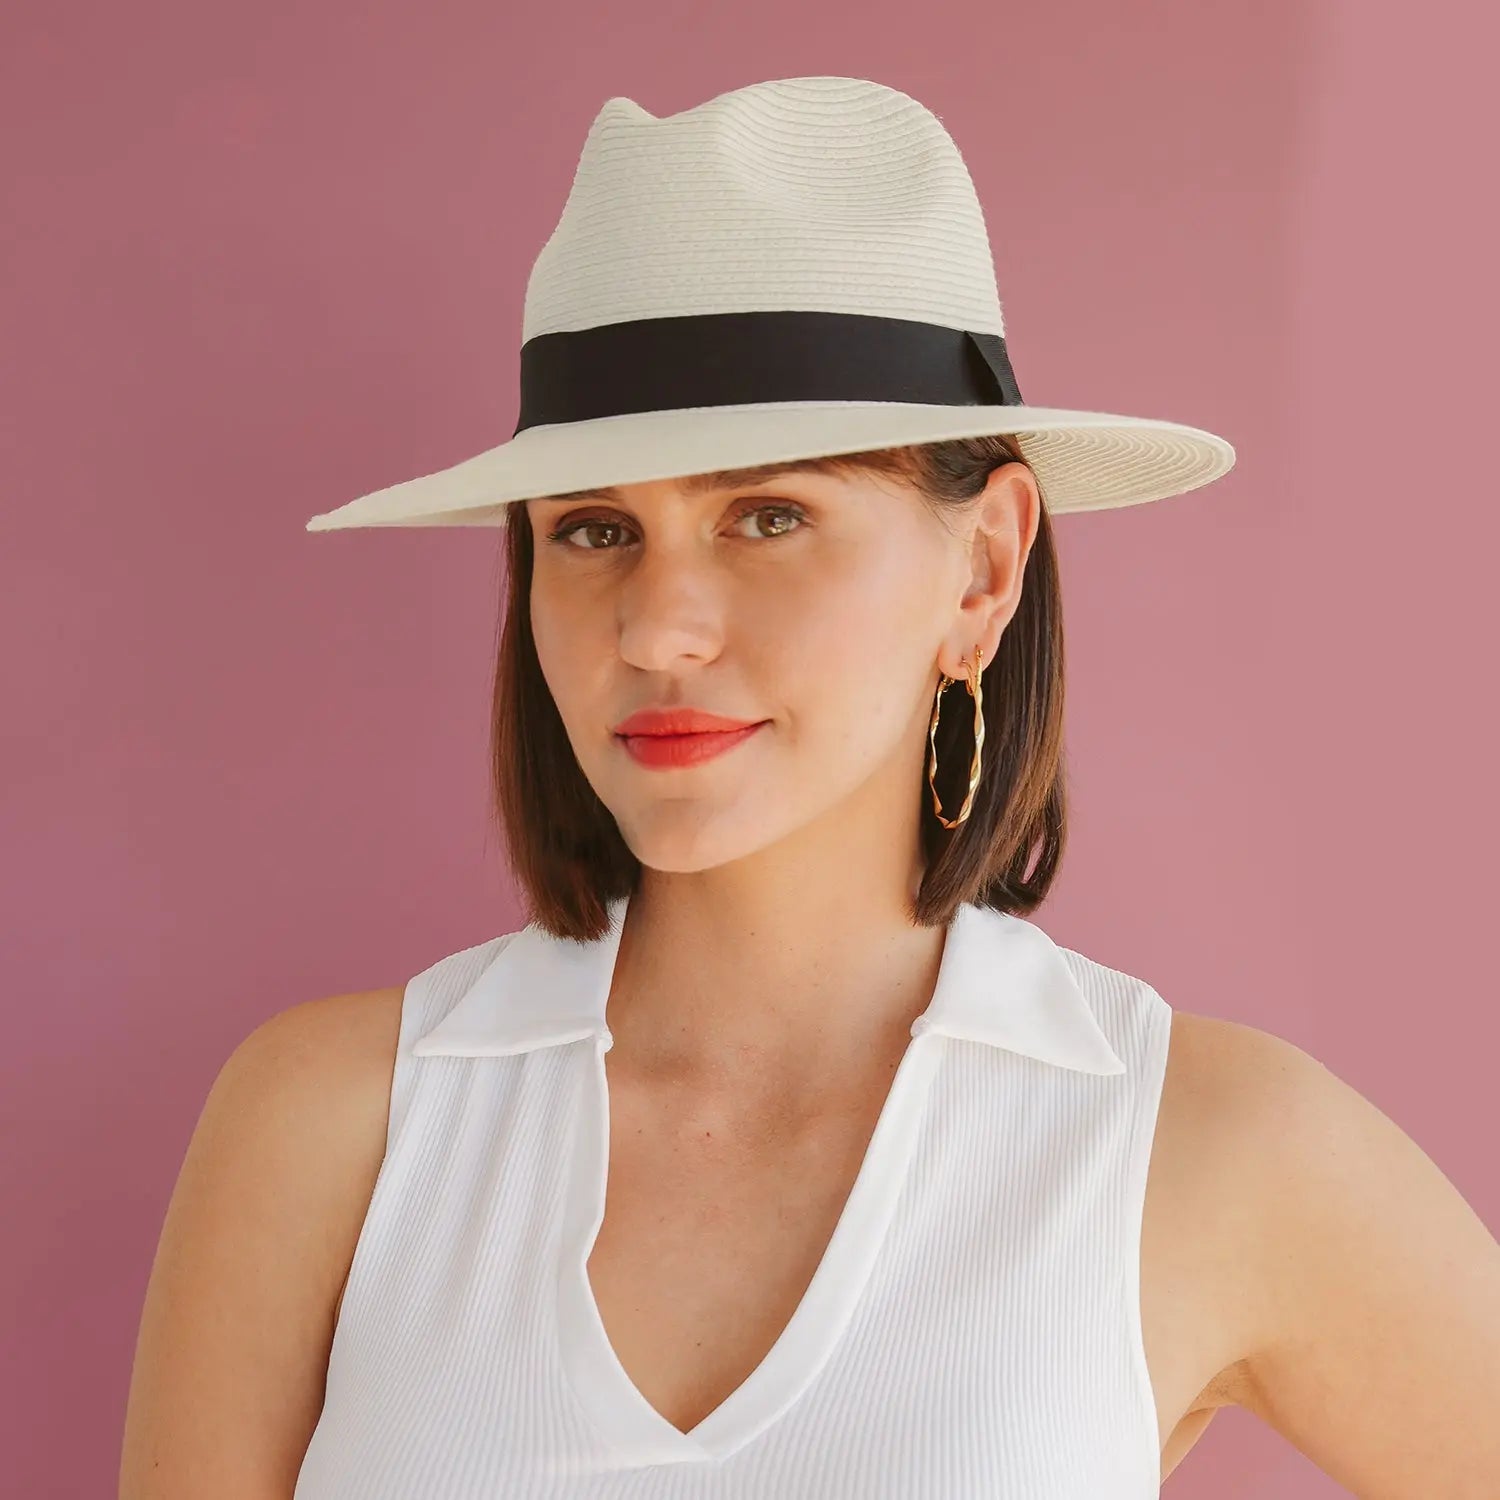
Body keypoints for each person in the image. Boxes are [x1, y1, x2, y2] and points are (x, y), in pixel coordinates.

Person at [120, 76, 1500, 1497]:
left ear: (984, 569)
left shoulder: (1201, 1149)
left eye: (768, 515)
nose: (657, 630)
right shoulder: (334, 1128)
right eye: (592, 530)